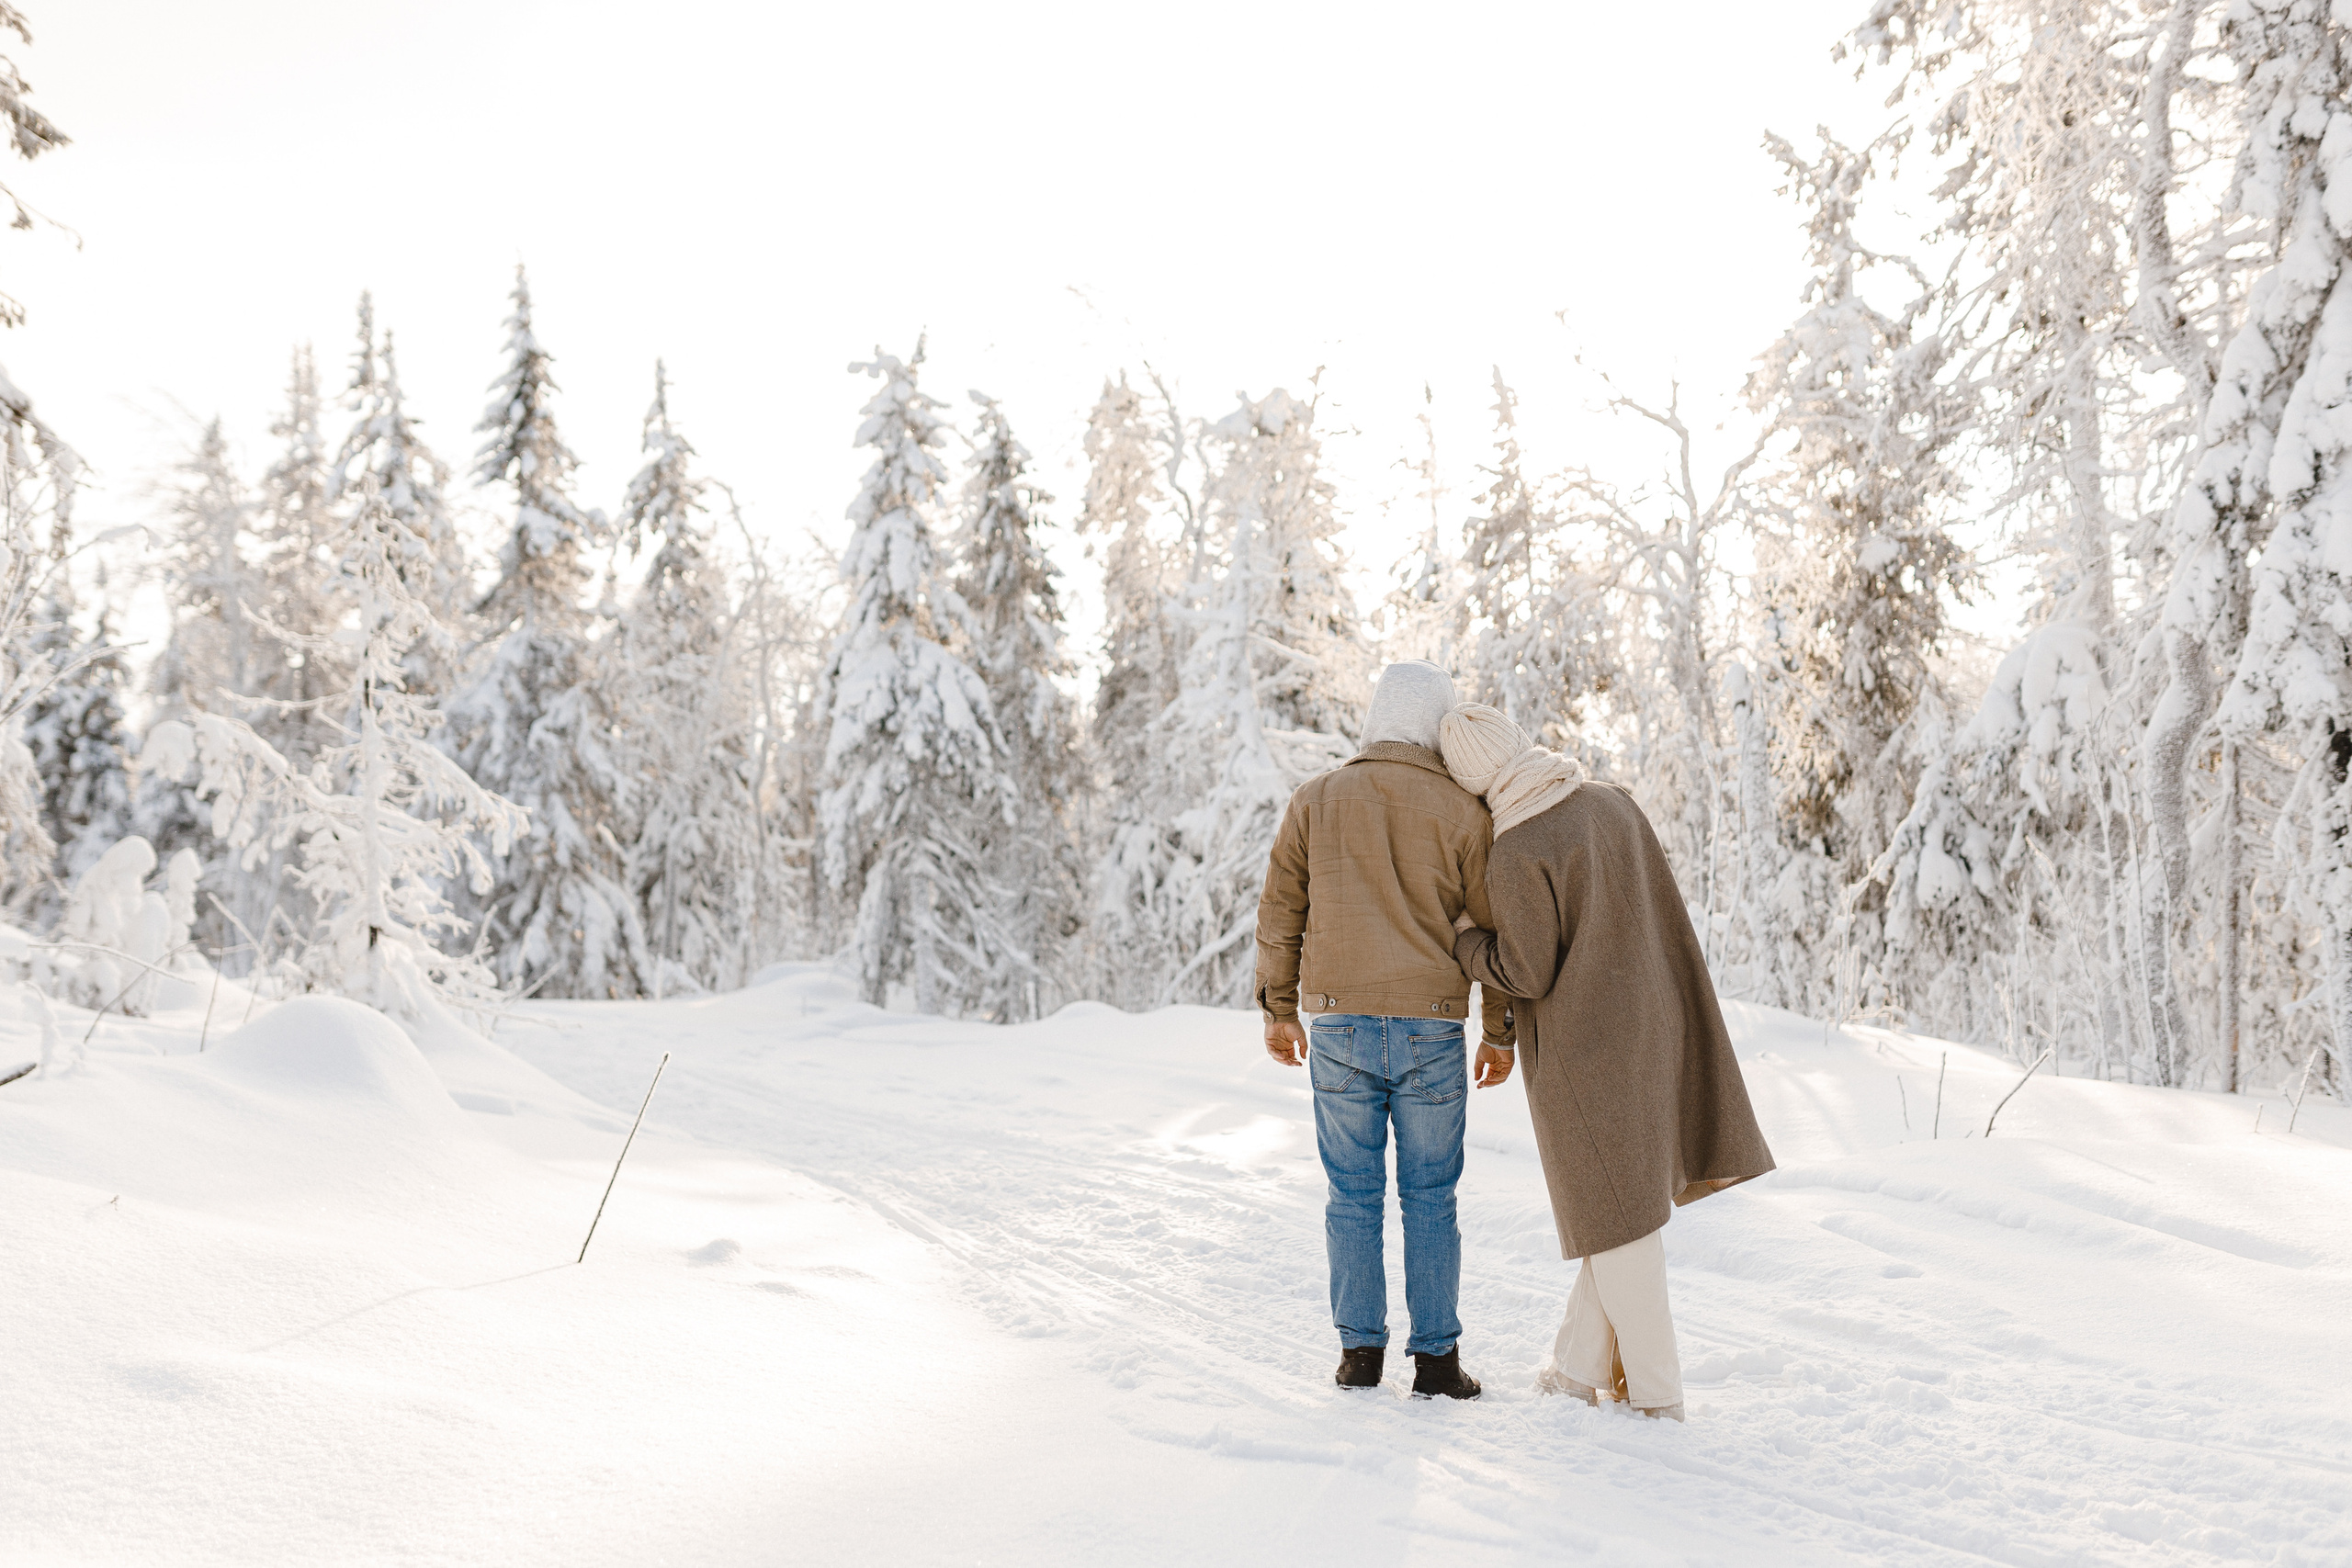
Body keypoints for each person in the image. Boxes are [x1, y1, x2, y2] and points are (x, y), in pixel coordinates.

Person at [1438, 703, 1775, 1423]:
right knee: (1618, 1209)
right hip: (1659, 1024)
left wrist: (1466, 939)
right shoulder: (1611, 802)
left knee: (1619, 1220)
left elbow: (1524, 972)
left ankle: (1658, 1393)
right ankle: (1573, 1368)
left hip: (1586, 1055)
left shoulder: (1517, 847)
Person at [1255, 660, 1519, 1400]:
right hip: (1433, 1028)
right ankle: (1436, 1361)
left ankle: (1359, 1351)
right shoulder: (1466, 812)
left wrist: (1278, 1010)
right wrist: (1498, 1031)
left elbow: (1280, 912)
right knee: (1432, 1196)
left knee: (1352, 1193)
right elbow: (1492, 929)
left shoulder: (1315, 799)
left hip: (1337, 1024)